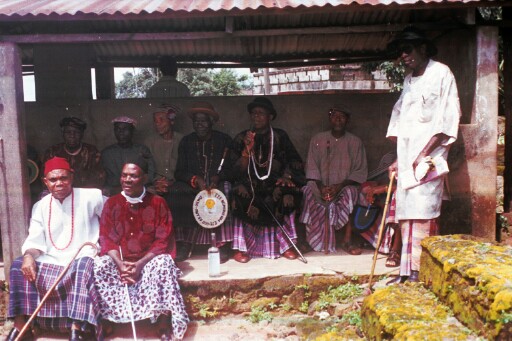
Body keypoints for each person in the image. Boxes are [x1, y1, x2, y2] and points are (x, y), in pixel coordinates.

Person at [386, 26, 461, 283]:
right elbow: (400, 121)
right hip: (408, 160)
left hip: (427, 161)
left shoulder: (441, 74)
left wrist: (423, 154)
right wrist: (400, 158)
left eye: (407, 50)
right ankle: (406, 272)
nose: (403, 56)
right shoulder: (408, 81)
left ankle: (421, 271)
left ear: (423, 48)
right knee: (406, 214)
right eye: (400, 52)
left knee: (424, 213)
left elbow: (447, 119)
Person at [7, 157, 104, 341]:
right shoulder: (41, 206)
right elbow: (35, 240)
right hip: (51, 257)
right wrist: (28, 256)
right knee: (17, 266)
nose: (59, 183)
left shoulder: (93, 196)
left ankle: (77, 327)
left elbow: (112, 216)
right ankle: (21, 326)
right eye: (53, 180)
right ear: (45, 182)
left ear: (71, 177)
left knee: (84, 266)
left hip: (81, 254)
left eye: (63, 178)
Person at [94, 158, 189, 340]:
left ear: (145, 178)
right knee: (99, 265)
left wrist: (139, 264)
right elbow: (106, 238)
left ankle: (163, 321)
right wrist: (121, 264)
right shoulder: (112, 203)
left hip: (148, 260)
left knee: (164, 263)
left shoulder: (158, 202)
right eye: (124, 175)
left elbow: (162, 240)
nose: (127, 180)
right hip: (120, 262)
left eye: (134, 176)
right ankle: (107, 321)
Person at [230, 97, 306, 263]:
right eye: (253, 114)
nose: (256, 117)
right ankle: (241, 248)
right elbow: (233, 170)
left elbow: (294, 160)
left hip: (274, 183)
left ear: (270, 116)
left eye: (261, 113)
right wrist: (245, 152)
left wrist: (287, 177)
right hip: (249, 183)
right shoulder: (242, 137)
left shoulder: (279, 136)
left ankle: (285, 246)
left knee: (288, 193)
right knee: (237, 194)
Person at [300, 105, 368, 254]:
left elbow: (359, 172)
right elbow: (311, 167)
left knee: (352, 192)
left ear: (347, 120)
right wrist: (321, 186)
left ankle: (347, 240)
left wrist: (339, 186)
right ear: (329, 119)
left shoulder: (355, 142)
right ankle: (307, 240)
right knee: (306, 190)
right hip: (321, 186)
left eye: (342, 116)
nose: (338, 119)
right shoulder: (318, 139)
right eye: (334, 116)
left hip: (343, 187)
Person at [171, 101, 233, 262]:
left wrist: (218, 177)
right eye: (196, 121)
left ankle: (223, 244)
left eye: (204, 121)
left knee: (225, 190)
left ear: (211, 122)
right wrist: (194, 179)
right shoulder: (186, 141)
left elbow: (232, 169)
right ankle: (184, 243)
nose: (199, 125)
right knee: (177, 191)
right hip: (194, 186)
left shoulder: (224, 140)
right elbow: (179, 171)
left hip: (216, 184)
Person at [357, 151, 401, 267]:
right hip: (383, 202)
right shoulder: (389, 162)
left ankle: (395, 250)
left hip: (404, 200)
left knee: (398, 199)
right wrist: (373, 191)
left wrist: (384, 189)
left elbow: (405, 186)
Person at [42, 117, 105, 189]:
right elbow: (46, 177)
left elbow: (99, 179)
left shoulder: (92, 152)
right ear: (63, 134)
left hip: (84, 193)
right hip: (59, 191)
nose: (72, 136)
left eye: (77, 132)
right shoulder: (53, 152)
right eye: (68, 132)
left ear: (82, 134)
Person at [101, 116, 155, 196]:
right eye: (117, 129)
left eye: (125, 129)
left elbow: (151, 173)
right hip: (113, 193)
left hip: (137, 191)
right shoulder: (106, 153)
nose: (121, 132)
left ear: (132, 131)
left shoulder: (142, 150)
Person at [145, 105, 184, 197]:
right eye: (155, 121)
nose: (157, 124)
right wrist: (155, 183)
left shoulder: (182, 140)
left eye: (161, 120)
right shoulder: (149, 142)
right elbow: (146, 168)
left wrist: (171, 182)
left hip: (177, 184)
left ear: (172, 121)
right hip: (155, 185)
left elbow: (185, 168)